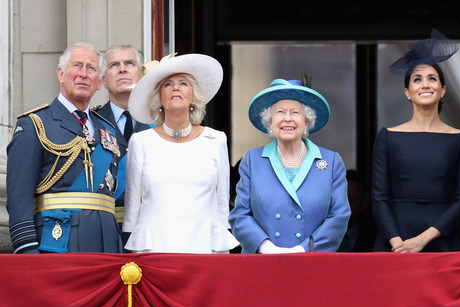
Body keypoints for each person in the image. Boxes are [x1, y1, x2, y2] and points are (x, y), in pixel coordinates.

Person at [6, 42, 123, 254]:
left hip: (107, 246)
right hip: (57, 244)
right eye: (77, 66)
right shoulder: (35, 124)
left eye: (91, 68)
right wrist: (28, 252)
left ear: (100, 82)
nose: (83, 74)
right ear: (61, 74)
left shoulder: (109, 131)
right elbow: (18, 199)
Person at [124, 53, 238, 253]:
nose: (175, 88)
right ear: (159, 98)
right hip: (155, 250)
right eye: (167, 84)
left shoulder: (216, 139)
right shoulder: (141, 141)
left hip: (204, 248)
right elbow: (133, 206)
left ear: (193, 95)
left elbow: (222, 208)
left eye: (183, 83)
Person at [372, 29, 460, 253]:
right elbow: (379, 198)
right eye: (417, 80)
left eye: (432, 79)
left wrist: (423, 240)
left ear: (443, 89)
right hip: (394, 242)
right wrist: (396, 242)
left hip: (443, 241)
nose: (425, 84)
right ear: (408, 92)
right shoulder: (387, 137)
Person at [229, 79, 350, 253]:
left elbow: (339, 217)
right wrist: (266, 247)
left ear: (307, 121)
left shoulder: (330, 162)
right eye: (280, 112)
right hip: (263, 262)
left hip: (312, 262)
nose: (287, 119)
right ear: (270, 122)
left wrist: (304, 249)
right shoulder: (253, 160)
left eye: (295, 112)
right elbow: (240, 215)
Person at [93, 44, 151, 242]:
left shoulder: (159, 125)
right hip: (103, 231)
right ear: (104, 80)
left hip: (150, 233)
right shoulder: (90, 124)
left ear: (141, 76)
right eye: (114, 65)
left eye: (129, 63)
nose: (122, 69)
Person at [337, 169, 378, 252]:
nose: (345, 204)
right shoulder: (320, 235)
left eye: (351, 199)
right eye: (341, 198)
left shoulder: (374, 239)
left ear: (363, 204)